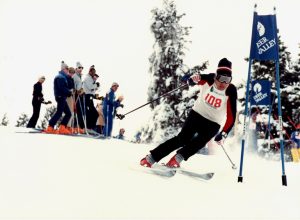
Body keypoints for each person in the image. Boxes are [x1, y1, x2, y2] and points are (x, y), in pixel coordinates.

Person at [140, 58, 237, 168]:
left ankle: (177, 159)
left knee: (200, 142)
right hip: (197, 115)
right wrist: (191, 79)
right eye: (221, 78)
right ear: (216, 76)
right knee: (182, 139)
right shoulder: (208, 79)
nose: (224, 83)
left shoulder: (231, 91)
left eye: (227, 79)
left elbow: (231, 117)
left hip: (214, 123)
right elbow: (191, 79)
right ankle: (151, 158)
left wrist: (224, 133)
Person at [44, 61, 72, 134]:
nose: (68, 70)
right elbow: (62, 87)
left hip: (63, 97)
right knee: (59, 112)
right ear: (63, 69)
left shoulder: (63, 77)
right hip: (60, 96)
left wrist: (68, 92)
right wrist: (69, 92)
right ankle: (50, 127)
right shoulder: (60, 77)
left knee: (68, 113)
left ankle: (62, 127)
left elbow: (64, 87)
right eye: (67, 69)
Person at [82, 65, 100, 132]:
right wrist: (96, 85)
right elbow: (90, 87)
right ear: (90, 72)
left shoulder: (91, 79)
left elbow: (94, 90)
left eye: (94, 73)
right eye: (93, 73)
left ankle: (91, 128)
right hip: (87, 96)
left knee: (95, 113)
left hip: (90, 97)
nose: (94, 74)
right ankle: (88, 127)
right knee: (90, 113)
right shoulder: (87, 78)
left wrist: (96, 86)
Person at [73, 62, 85, 133]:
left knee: (80, 111)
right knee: (75, 111)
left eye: (82, 68)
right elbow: (73, 84)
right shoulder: (74, 76)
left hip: (79, 95)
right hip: (74, 95)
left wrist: (82, 91)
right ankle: (73, 127)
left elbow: (80, 85)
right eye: (79, 68)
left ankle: (80, 127)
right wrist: (76, 90)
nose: (81, 69)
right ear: (76, 68)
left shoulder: (80, 76)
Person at [66, 67, 75, 132]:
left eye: (73, 72)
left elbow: (73, 86)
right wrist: (70, 90)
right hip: (67, 96)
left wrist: (73, 90)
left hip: (71, 95)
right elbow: (66, 86)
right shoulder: (66, 78)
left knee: (71, 111)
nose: (72, 73)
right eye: (71, 72)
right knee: (68, 111)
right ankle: (66, 126)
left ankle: (69, 126)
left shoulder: (71, 79)